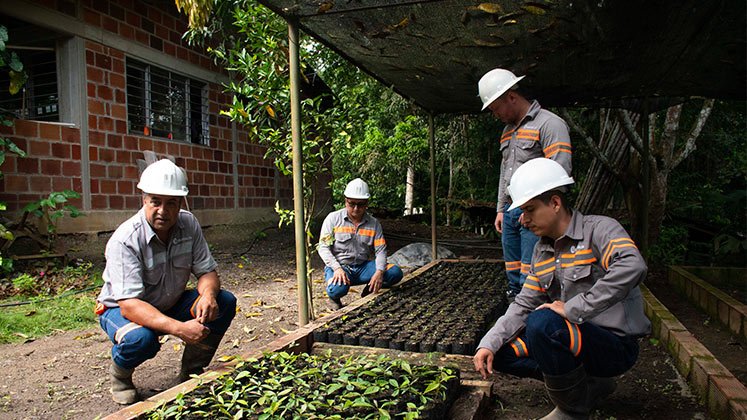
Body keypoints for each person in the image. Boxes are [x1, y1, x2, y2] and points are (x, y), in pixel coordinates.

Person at [473, 158, 651, 420]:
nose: (523, 220)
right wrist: (487, 343)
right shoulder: (541, 251)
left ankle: (572, 409)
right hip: (572, 338)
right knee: (498, 353)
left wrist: (574, 308)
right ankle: (587, 386)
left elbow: (633, 266)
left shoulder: (599, 230)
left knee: (543, 323)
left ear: (555, 203)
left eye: (530, 210)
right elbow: (524, 303)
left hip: (614, 345)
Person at [95, 159, 237, 405]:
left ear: (181, 203)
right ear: (144, 200)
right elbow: (130, 304)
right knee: (141, 340)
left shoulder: (188, 224)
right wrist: (180, 329)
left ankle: (191, 372)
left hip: (168, 301)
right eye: (156, 202)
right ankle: (121, 376)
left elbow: (207, 272)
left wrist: (207, 295)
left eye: (171, 203)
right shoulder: (125, 240)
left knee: (223, 302)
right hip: (120, 309)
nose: (163, 210)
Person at [478, 68, 573, 299]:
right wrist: (501, 209)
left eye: (496, 108)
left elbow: (560, 172)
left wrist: (534, 211)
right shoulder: (506, 132)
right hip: (511, 212)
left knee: (533, 275)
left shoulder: (550, 124)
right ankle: (514, 314)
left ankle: (531, 322)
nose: (495, 114)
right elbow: (505, 172)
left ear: (511, 96)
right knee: (513, 274)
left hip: (534, 211)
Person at [318, 178, 404, 310]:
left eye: (361, 204)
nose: (356, 208)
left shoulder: (374, 224)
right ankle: (334, 299)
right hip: (341, 267)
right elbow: (323, 247)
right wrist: (337, 268)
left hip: (363, 267)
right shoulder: (333, 219)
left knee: (395, 272)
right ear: (345, 200)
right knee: (336, 289)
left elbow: (381, 250)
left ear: (367, 203)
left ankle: (369, 290)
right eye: (352, 204)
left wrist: (379, 272)